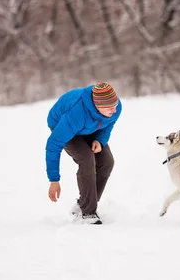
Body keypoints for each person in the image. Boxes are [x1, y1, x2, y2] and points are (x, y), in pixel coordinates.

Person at [45, 82, 122, 225]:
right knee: (87, 159)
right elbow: (53, 146)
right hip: (64, 126)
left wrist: (100, 140)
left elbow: (108, 125)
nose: (114, 110)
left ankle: (82, 205)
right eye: (110, 108)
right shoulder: (76, 113)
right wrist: (54, 180)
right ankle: (88, 213)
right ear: (97, 106)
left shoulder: (115, 107)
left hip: (89, 126)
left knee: (107, 162)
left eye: (115, 105)